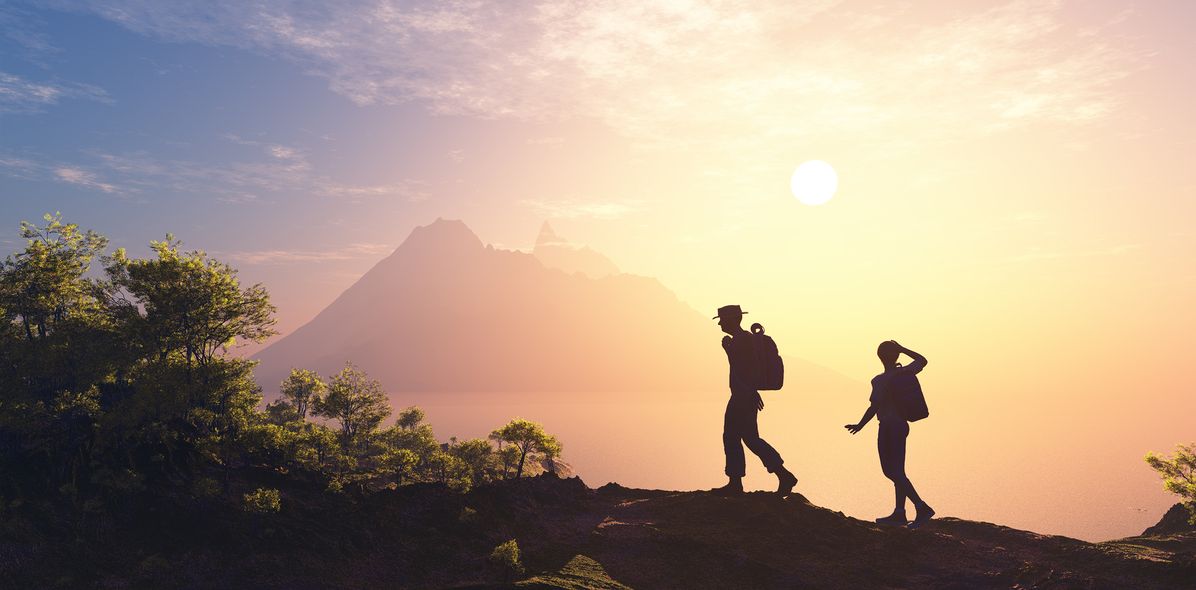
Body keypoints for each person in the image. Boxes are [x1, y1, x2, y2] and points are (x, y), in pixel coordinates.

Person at [845, 340, 935, 529]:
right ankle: (899, 513)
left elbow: (874, 406)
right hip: (901, 426)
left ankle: (922, 507)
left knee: (890, 471)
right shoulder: (905, 373)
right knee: (898, 472)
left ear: (879, 357)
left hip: (888, 427)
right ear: (896, 355)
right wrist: (902, 348)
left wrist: (860, 425)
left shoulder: (879, 380)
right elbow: (922, 360)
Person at [712, 305, 798, 497]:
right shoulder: (742, 341)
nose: (719, 324)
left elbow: (747, 370)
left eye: (722, 320)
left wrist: (748, 391)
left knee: (735, 437)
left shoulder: (740, 342)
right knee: (746, 438)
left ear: (733, 320)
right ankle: (779, 475)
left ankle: (741, 482)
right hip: (745, 396)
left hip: (741, 397)